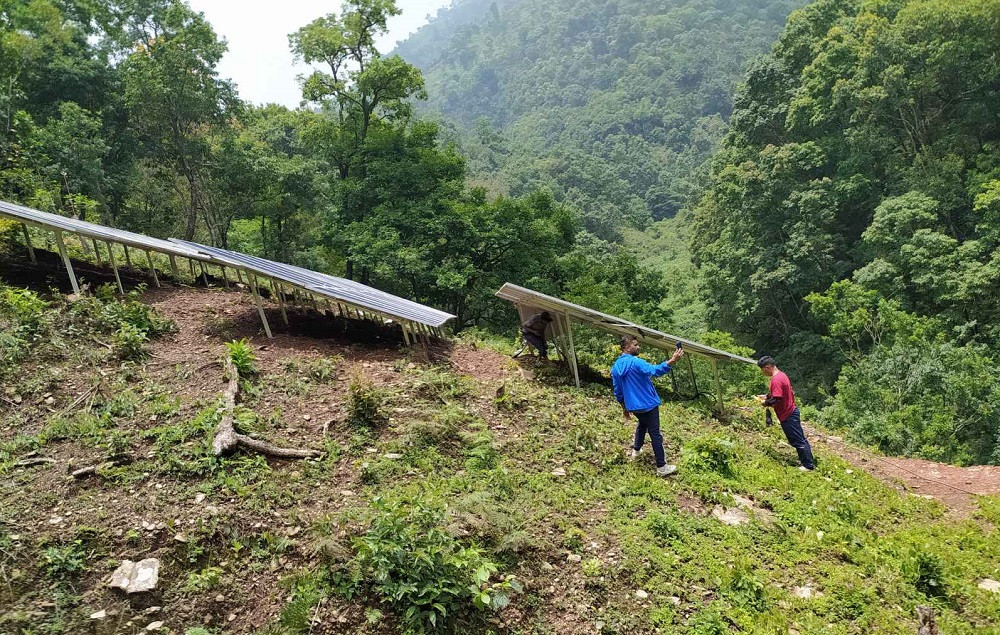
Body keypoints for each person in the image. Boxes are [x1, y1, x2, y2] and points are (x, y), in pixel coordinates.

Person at [612, 335, 685, 476]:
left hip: (633, 406)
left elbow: (618, 391)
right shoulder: (636, 362)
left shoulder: (616, 367)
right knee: (655, 434)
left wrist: (624, 409)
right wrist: (672, 361)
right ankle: (662, 467)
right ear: (627, 347)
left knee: (642, 424)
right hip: (648, 404)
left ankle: (636, 451)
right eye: (635, 344)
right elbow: (654, 371)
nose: (638, 347)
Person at [756, 356, 815, 471]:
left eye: (763, 370)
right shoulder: (781, 375)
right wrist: (767, 396)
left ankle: (808, 465)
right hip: (791, 412)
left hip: (788, 414)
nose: (763, 373)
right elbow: (780, 393)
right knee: (799, 438)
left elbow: (777, 399)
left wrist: (765, 403)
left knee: (797, 440)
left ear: (768, 367)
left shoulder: (776, 380)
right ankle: (806, 459)